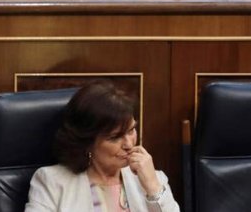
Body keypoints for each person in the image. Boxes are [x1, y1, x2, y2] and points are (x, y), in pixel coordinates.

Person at [25, 81, 180, 211]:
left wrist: (153, 188)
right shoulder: (52, 182)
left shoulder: (153, 179)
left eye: (131, 130)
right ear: (87, 141)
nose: (128, 144)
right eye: (115, 137)